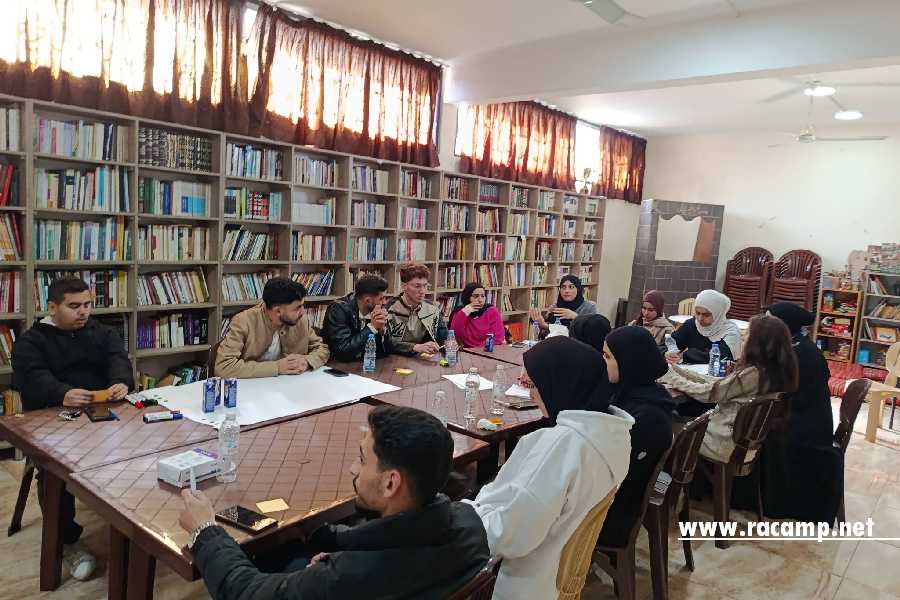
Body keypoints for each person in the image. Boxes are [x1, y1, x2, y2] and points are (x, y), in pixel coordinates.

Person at [179, 405, 490, 599]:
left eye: (362, 459)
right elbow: (391, 538)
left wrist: (205, 531)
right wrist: (332, 540)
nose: (353, 468)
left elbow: (244, 592)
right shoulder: (471, 527)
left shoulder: (344, 578)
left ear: (390, 483)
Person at [464, 337, 634, 600]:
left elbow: (507, 536)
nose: (531, 394)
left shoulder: (561, 446)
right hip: (555, 577)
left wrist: (465, 513)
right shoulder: (613, 434)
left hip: (516, 582)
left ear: (561, 384)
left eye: (533, 385)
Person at [11, 277, 135, 581]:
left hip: (101, 415)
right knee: (54, 470)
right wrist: (61, 393)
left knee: (140, 449)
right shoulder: (31, 341)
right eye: (74, 306)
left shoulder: (101, 332)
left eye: (88, 305)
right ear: (52, 307)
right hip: (53, 418)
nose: (83, 312)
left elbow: (118, 359)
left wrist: (120, 382)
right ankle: (67, 541)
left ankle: (135, 525)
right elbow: (32, 378)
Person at [739, 302, 841, 523]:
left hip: (803, 428)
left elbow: (775, 394)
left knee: (745, 430)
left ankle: (740, 492)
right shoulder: (797, 346)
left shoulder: (800, 355)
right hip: (805, 418)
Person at [660, 315, 798, 462]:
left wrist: (672, 378)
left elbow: (709, 393)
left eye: (747, 336)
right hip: (740, 442)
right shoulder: (774, 371)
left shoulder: (753, 374)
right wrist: (680, 372)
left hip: (723, 442)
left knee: (665, 428)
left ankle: (667, 474)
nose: (743, 340)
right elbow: (721, 384)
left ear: (758, 343)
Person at [596, 326, 674, 547]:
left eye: (607, 356)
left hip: (615, 513)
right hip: (619, 497)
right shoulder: (640, 394)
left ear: (628, 362)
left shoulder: (645, 416)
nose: (602, 361)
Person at [215, 277, 330, 378]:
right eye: (297, 308)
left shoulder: (301, 320)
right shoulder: (244, 321)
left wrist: (307, 361)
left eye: (303, 306)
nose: (303, 312)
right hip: (254, 388)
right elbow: (223, 367)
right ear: (278, 311)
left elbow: (322, 349)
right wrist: (277, 367)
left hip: (291, 385)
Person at [321, 275, 395, 362]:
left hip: (365, 364)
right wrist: (372, 328)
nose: (385, 302)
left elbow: (388, 351)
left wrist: (382, 331)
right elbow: (342, 351)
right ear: (368, 301)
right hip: (337, 365)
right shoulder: (338, 310)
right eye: (381, 298)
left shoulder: (376, 310)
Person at [384, 263, 448, 356]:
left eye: (425, 286)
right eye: (417, 286)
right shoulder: (389, 309)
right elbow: (385, 344)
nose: (422, 291)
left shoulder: (432, 309)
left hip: (422, 359)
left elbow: (444, 338)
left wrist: (443, 345)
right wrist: (414, 347)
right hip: (393, 359)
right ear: (404, 286)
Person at [665, 289, 742, 365]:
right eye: (697, 313)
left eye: (706, 315)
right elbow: (671, 342)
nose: (700, 318)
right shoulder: (692, 324)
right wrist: (668, 353)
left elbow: (720, 356)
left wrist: (686, 355)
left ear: (718, 314)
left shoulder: (730, 332)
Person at [529, 274, 598, 337]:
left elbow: (592, 330)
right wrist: (541, 322)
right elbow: (548, 333)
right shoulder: (556, 306)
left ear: (578, 289)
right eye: (563, 287)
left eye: (571, 287)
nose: (566, 291)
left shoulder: (589, 306)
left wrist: (575, 316)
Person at [448, 282, 505, 348]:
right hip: (466, 351)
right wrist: (466, 311)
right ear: (467, 297)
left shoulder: (491, 311)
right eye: (476, 296)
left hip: (488, 350)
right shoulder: (460, 312)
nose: (480, 300)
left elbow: (498, 338)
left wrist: (479, 350)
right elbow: (455, 336)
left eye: (482, 296)